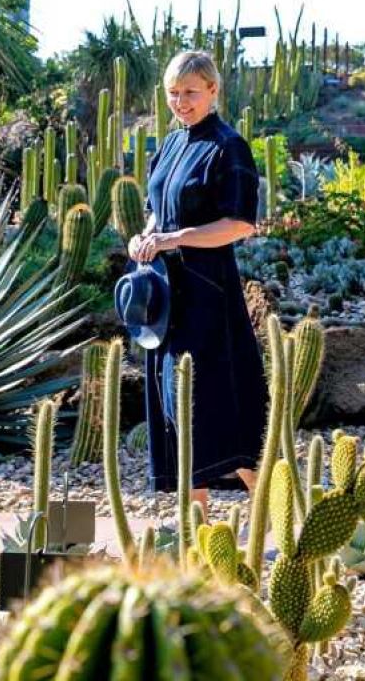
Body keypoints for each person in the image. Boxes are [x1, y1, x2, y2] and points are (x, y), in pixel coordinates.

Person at [127, 50, 267, 503]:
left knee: (209, 409)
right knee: (173, 409)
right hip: (166, 298)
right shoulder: (170, 144)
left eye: (189, 92)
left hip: (208, 298)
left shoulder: (229, 147)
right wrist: (145, 237)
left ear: (212, 90)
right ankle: (197, 534)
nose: (180, 102)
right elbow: (155, 211)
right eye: (172, 93)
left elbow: (241, 224)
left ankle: (281, 514)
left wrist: (173, 239)